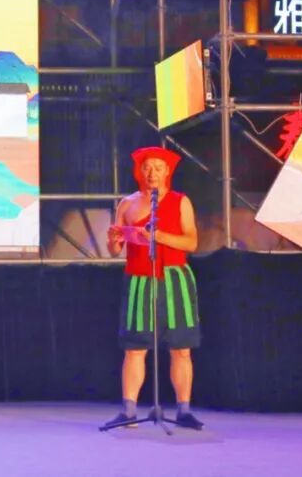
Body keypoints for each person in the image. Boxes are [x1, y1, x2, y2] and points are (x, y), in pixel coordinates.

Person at [104, 146, 204, 430]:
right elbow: (115, 250)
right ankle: (128, 411)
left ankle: (184, 410)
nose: (152, 173)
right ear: (139, 171)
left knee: (181, 348)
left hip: (175, 279)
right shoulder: (127, 204)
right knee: (135, 348)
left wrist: (157, 236)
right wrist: (113, 241)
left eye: (158, 168)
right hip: (139, 279)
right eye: (147, 168)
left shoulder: (181, 201)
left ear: (167, 171)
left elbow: (191, 242)